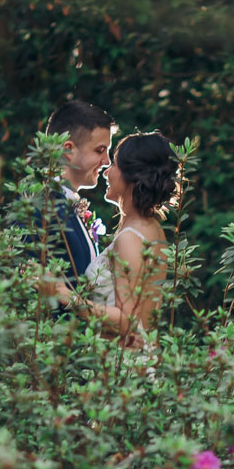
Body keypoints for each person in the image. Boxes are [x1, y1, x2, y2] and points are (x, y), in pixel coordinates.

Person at [71, 132, 181, 345]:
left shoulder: (130, 238)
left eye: (114, 165)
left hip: (122, 364)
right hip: (137, 358)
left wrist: (66, 297)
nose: (106, 172)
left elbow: (127, 321)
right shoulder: (152, 228)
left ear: (132, 175)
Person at [34, 101, 114, 305]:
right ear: (68, 150)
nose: (107, 161)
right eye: (99, 150)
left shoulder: (65, 204)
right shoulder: (38, 207)